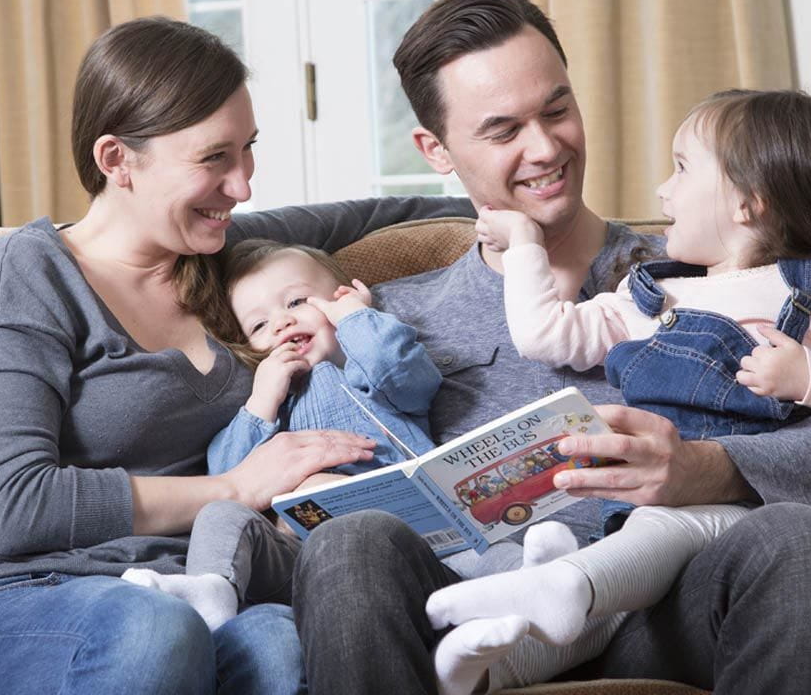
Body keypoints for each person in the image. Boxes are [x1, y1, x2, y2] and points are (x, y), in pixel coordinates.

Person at [281, 0, 811, 695]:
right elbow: (314, 491)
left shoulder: (703, 280)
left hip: (656, 610)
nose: (544, 147)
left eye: (555, 109)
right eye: (502, 129)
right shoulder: (384, 320)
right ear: (435, 151)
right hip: (470, 617)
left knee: (804, 541)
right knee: (347, 546)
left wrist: (709, 468)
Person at [0, 16, 473, 695]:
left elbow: (378, 214)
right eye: (215, 158)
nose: (243, 184)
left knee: (279, 641)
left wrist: (508, 208)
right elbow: (11, 504)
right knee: (158, 632)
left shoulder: (218, 253)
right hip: (33, 600)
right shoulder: (23, 276)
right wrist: (233, 486)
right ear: (116, 158)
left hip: (202, 586)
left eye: (249, 149)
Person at [421, 88, 811, 695]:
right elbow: (545, 334)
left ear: (748, 201)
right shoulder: (652, 296)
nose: (661, 192)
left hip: (731, 527)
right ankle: (483, 668)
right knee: (612, 595)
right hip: (627, 521)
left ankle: (563, 582)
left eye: (682, 168)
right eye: (502, 128)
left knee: (676, 540)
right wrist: (523, 245)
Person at [122, 237, 579, 628]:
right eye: (259, 325)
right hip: (297, 551)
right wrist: (260, 402)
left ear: (345, 298)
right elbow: (228, 477)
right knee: (218, 515)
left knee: (480, 549)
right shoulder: (273, 402)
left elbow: (409, 374)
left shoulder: (367, 369)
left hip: (415, 531)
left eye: (297, 302)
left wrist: (357, 318)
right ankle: (213, 589)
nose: (281, 322)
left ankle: (539, 581)